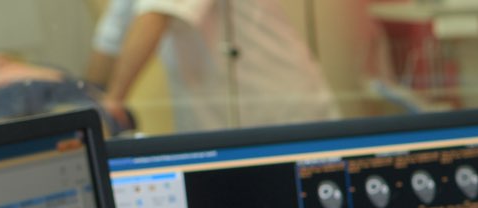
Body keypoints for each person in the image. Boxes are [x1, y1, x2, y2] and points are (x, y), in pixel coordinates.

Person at [87, 0, 340, 132]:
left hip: (278, 112)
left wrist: (112, 104)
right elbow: (112, 38)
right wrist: (84, 96)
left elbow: (155, 17)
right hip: (219, 117)